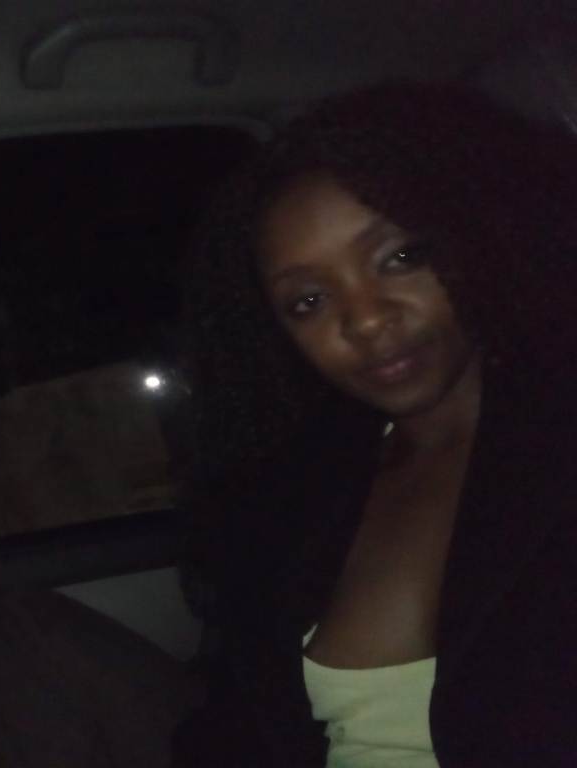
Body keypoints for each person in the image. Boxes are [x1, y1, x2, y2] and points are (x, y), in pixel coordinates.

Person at [174, 82, 577, 767]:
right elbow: (247, 718)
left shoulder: (556, 447)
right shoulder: (312, 483)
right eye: (308, 300)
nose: (363, 319)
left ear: (474, 232)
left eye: (400, 257)